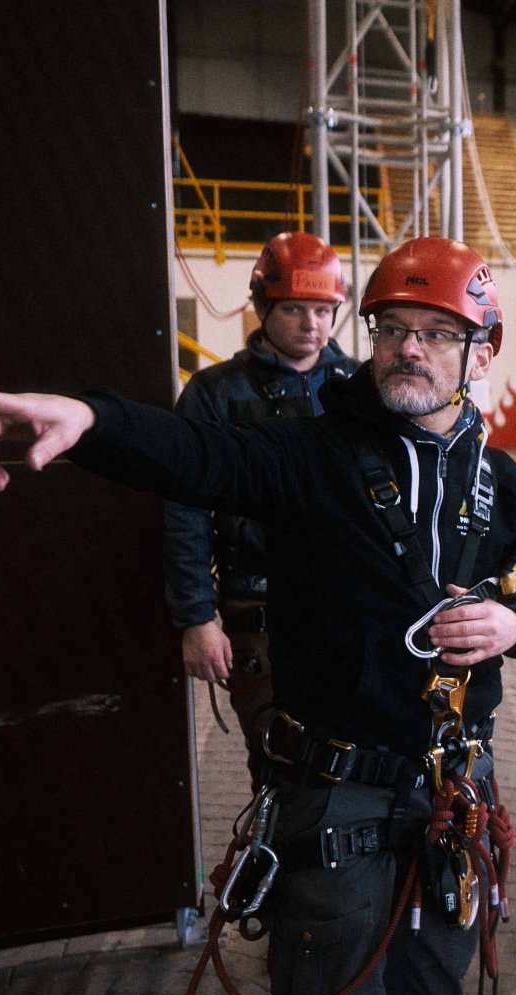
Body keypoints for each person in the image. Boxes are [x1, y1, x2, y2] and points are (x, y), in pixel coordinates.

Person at [0, 236, 516, 995]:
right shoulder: (312, 453)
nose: (409, 348)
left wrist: (514, 624)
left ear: (481, 352)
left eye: (437, 334)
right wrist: (93, 419)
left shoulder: (505, 482)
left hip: (450, 793)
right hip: (337, 800)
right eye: (394, 328)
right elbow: (203, 455)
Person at [166, 231, 357, 786]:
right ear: (262, 305)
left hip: (349, 606)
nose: (311, 324)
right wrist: (197, 618)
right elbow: (184, 510)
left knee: (355, 764)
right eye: (294, 308)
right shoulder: (215, 395)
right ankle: (271, 870)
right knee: (284, 765)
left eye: (323, 309)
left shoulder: (359, 390)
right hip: (258, 611)